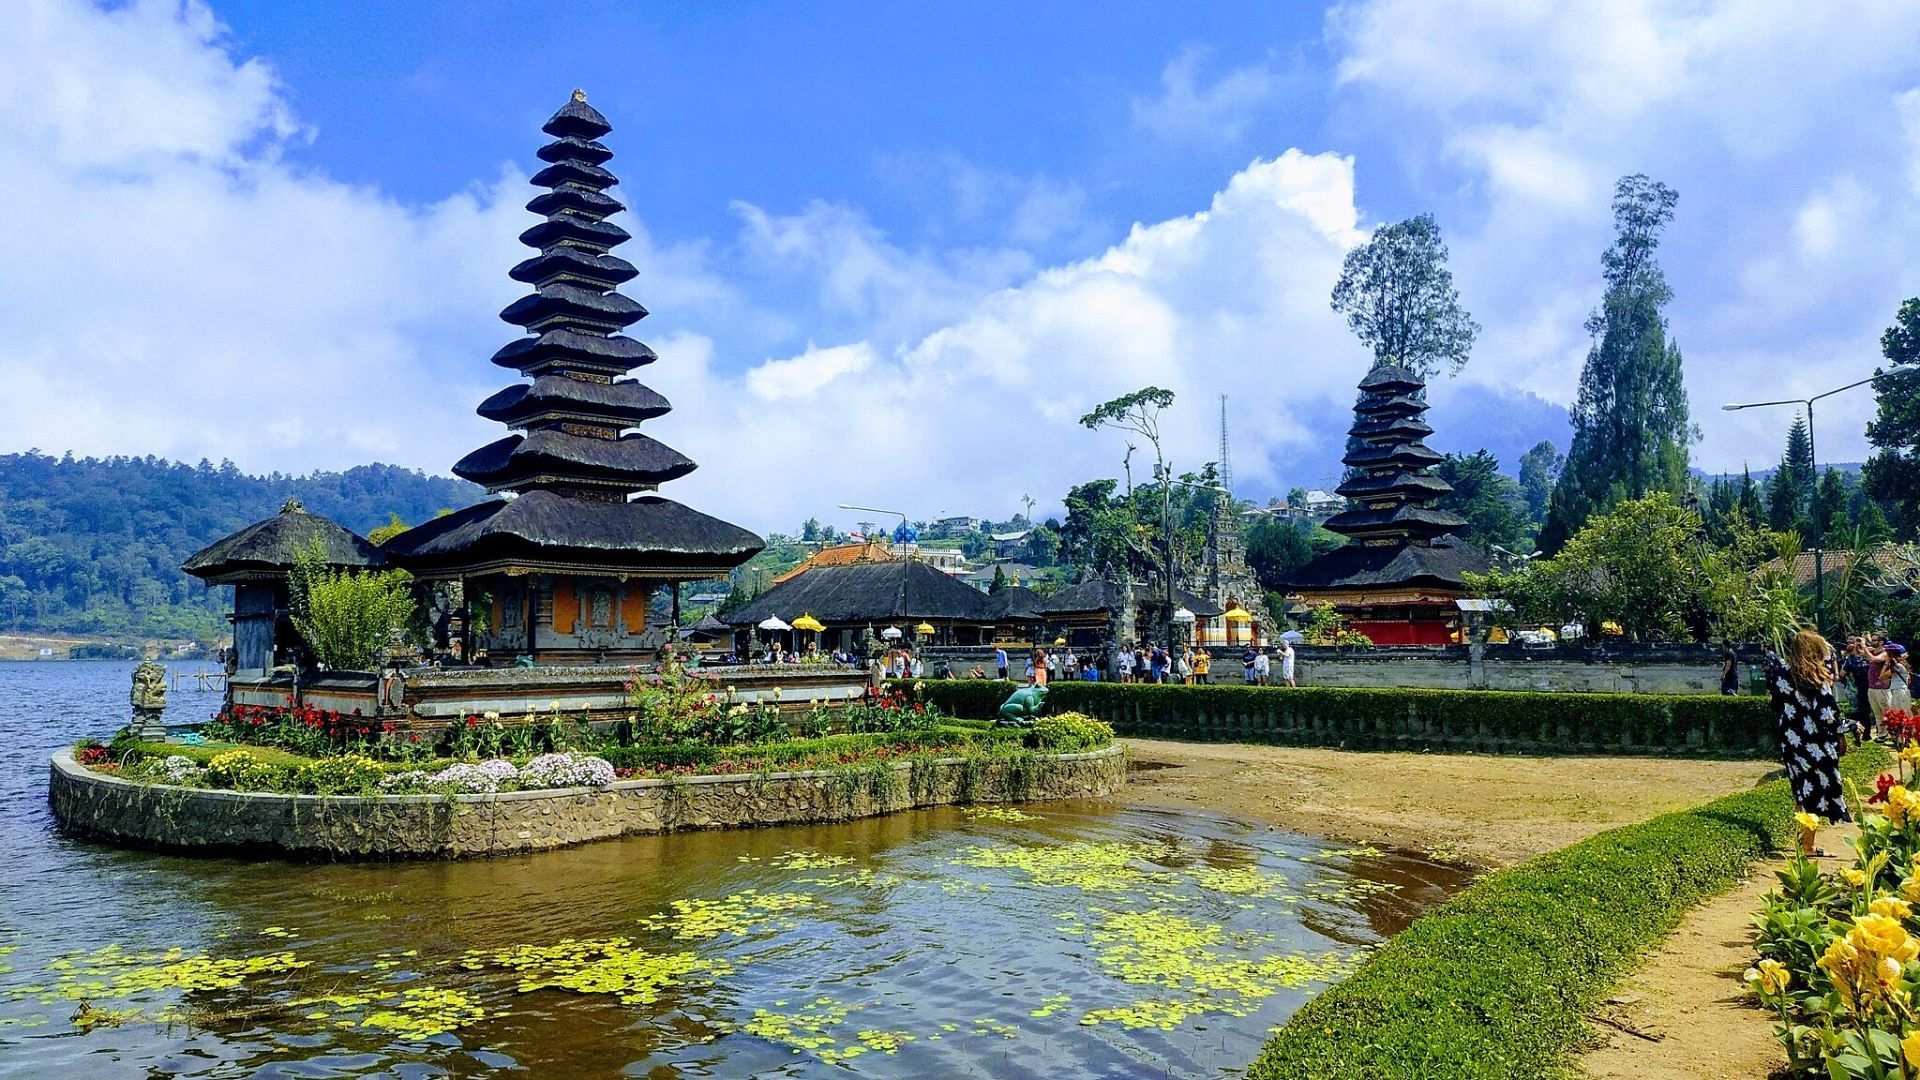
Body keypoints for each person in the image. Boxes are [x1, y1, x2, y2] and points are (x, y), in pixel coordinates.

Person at [1766, 627, 1851, 854]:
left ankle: (1802, 841)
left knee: (1800, 790)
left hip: (1790, 739)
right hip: (1814, 742)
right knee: (1816, 789)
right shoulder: (1816, 677)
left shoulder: (1779, 673)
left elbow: (1775, 705)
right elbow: (1826, 716)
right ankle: (1808, 846)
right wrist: (1851, 726)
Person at [1842, 636, 1875, 740]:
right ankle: (1860, 733)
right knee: (1861, 711)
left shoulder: (1867, 656)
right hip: (1861, 687)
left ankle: (1864, 733)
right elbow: (1842, 673)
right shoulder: (1852, 659)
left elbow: (1842, 673)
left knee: (1863, 711)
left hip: (1864, 687)